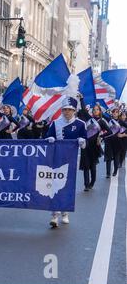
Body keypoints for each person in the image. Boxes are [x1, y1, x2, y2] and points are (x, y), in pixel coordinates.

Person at [45, 97, 87, 228]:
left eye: (70, 110)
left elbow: (85, 143)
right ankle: (54, 214)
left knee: (68, 186)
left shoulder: (80, 124)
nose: (67, 112)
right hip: (56, 159)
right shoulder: (55, 123)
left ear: (74, 111)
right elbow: (47, 136)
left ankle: (65, 212)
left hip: (71, 160)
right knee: (54, 185)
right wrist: (49, 138)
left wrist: (82, 141)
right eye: (65, 110)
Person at [77, 99, 112, 191]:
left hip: (95, 146)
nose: (95, 111)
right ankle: (86, 185)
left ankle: (92, 182)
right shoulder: (89, 118)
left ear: (100, 111)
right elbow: (84, 110)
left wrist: (101, 137)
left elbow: (110, 131)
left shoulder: (102, 121)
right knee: (86, 165)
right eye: (94, 109)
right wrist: (81, 99)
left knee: (92, 166)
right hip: (85, 145)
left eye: (97, 109)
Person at [104, 108, 122, 178]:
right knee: (108, 158)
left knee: (116, 157)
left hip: (117, 142)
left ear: (118, 114)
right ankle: (108, 173)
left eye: (116, 112)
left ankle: (115, 171)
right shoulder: (109, 120)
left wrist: (123, 134)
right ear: (112, 113)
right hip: (109, 141)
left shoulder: (121, 122)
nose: (115, 114)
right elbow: (102, 115)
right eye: (113, 112)